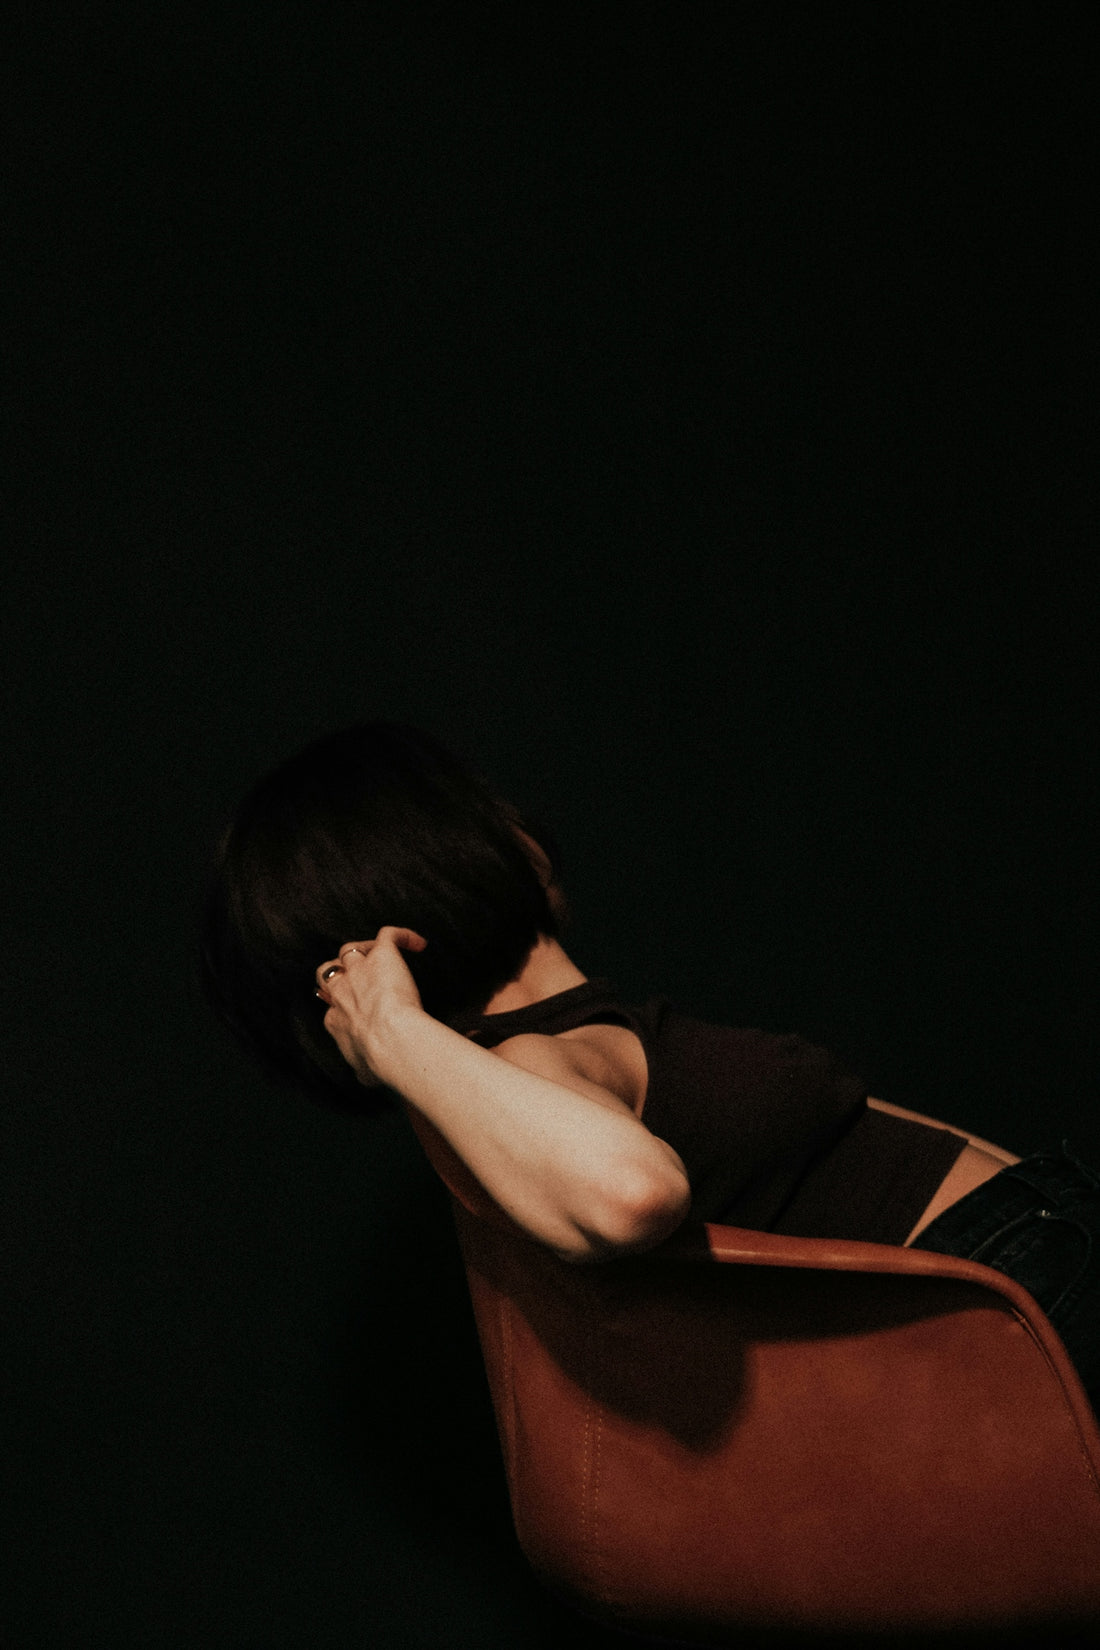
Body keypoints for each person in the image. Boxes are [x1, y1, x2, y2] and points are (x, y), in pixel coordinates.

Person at [201, 719, 1100, 1410]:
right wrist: (394, 1035)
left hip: (1044, 1272)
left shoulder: (564, 1037)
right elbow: (629, 1194)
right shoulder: (535, 1054)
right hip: (1036, 1306)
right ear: (442, 855)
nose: (518, 821)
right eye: (479, 811)